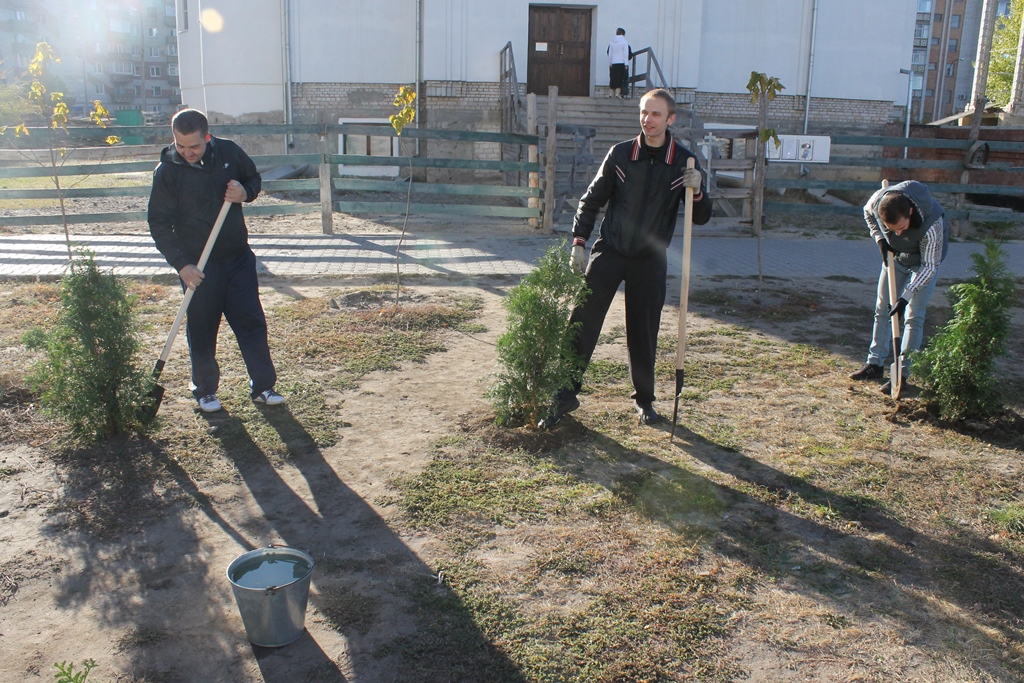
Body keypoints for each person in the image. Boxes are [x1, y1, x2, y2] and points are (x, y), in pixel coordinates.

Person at [547, 88, 712, 427]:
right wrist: (579, 243)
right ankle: (564, 394)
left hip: (650, 259)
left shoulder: (683, 162)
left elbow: (701, 217)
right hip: (611, 250)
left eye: (655, 114)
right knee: (582, 321)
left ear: (670, 119)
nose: (647, 120)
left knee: (643, 331)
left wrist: (698, 190)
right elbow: (590, 201)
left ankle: (644, 400)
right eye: (643, 112)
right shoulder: (621, 155)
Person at [148, 109, 285, 413]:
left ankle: (263, 387)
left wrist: (245, 192)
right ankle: (205, 391)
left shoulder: (229, 153)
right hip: (198, 267)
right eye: (181, 146)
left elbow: (253, 178)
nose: (187, 153)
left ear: (207, 137)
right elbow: (158, 224)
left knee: (251, 323)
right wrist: (182, 265)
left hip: (237, 259)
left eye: (194, 146)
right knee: (202, 328)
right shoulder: (167, 171)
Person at [849, 179, 947, 394]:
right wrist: (880, 239)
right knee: (882, 309)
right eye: (893, 229)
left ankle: (901, 374)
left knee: (913, 316)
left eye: (902, 227)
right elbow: (867, 212)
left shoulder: (932, 225)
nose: (899, 234)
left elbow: (930, 267)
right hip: (896, 259)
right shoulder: (878, 202)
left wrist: (905, 298)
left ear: (910, 212)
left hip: (923, 264)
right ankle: (875, 364)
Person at [607, 28, 632, 98]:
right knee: (620, 78)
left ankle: (611, 93)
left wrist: (610, 63)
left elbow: (610, 54)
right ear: (623, 34)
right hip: (621, 62)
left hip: (613, 62)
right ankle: (618, 94)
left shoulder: (611, 42)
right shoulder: (624, 42)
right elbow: (625, 54)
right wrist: (626, 64)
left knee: (612, 78)